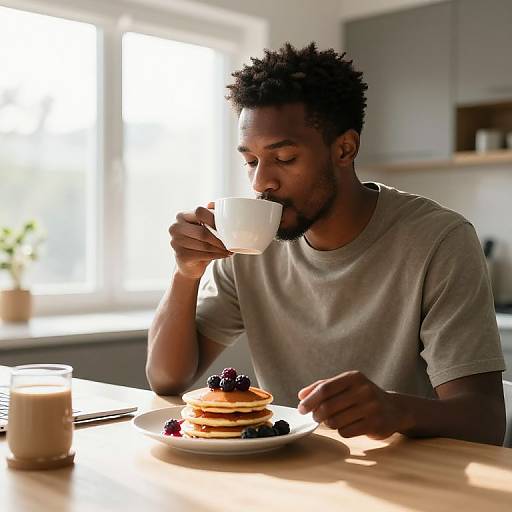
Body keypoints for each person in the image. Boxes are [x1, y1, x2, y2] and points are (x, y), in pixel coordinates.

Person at [147, 42, 506, 445]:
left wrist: (394, 409)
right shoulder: (251, 245)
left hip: (406, 480)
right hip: (285, 473)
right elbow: (166, 376)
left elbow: (486, 420)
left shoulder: (438, 240)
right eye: (251, 160)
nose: (260, 182)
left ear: (344, 148)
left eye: (283, 158)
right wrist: (186, 273)